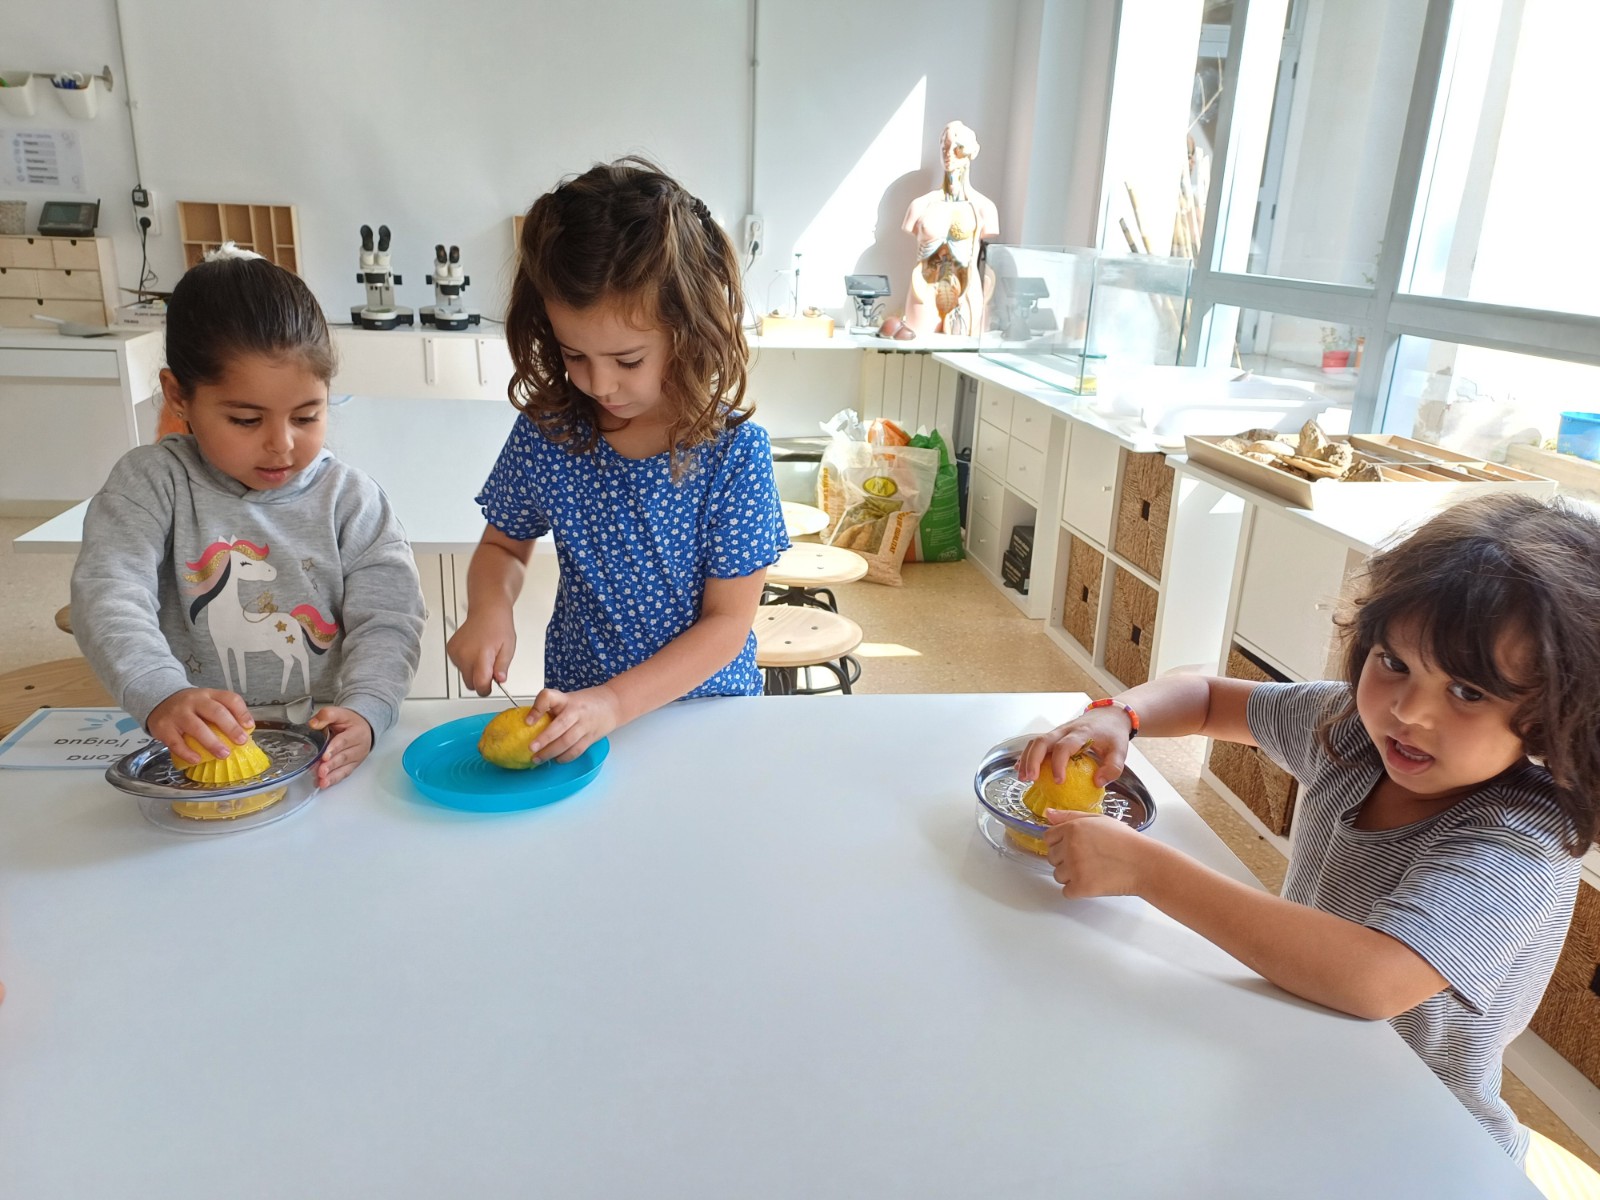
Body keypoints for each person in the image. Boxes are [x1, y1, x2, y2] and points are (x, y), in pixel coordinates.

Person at [1017, 493, 1600, 1163]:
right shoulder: (1350, 732)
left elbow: (1371, 978)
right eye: (1394, 663)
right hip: (1293, 1069)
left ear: (1553, 715)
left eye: (1467, 692)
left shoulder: (1521, 838)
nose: (1409, 712)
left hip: (1414, 1141)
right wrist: (1119, 715)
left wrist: (1147, 870)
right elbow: (1205, 696)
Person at [447, 157, 789, 763]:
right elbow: (503, 547)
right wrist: (489, 607)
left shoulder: (734, 454)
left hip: (705, 717)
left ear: (689, 332)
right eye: (574, 355)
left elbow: (727, 624)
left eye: (627, 360)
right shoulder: (550, 434)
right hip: (578, 717)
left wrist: (615, 703)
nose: (598, 384)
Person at [71, 246, 426, 788]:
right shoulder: (151, 483)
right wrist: (161, 693)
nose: (281, 444)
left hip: (325, 752)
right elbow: (108, 593)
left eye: (307, 416)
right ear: (178, 395)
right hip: (196, 751)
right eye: (244, 419)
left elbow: (390, 618)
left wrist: (368, 708)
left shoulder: (350, 498)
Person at [899, 120, 1000, 337]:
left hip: (965, 289)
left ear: (971, 152)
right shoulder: (921, 205)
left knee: (961, 348)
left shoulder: (984, 208)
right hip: (925, 287)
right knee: (918, 343)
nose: (949, 155)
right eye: (945, 148)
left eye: (957, 148)